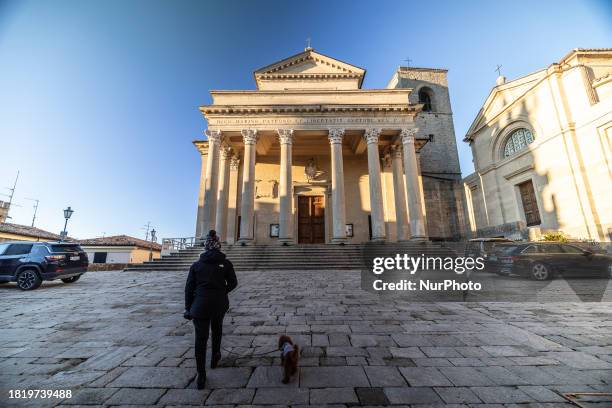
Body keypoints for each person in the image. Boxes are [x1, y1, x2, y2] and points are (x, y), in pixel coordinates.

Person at [184, 230, 237, 389]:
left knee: (200, 339)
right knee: (217, 329)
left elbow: (188, 289)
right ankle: (215, 356)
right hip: (219, 303)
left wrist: (188, 308)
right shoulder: (226, 263)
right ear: (219, 246)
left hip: (200, 305)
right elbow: (233, 283)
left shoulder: (196, 265)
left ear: (206, 247)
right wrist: (222, 291)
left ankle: (201, 375)